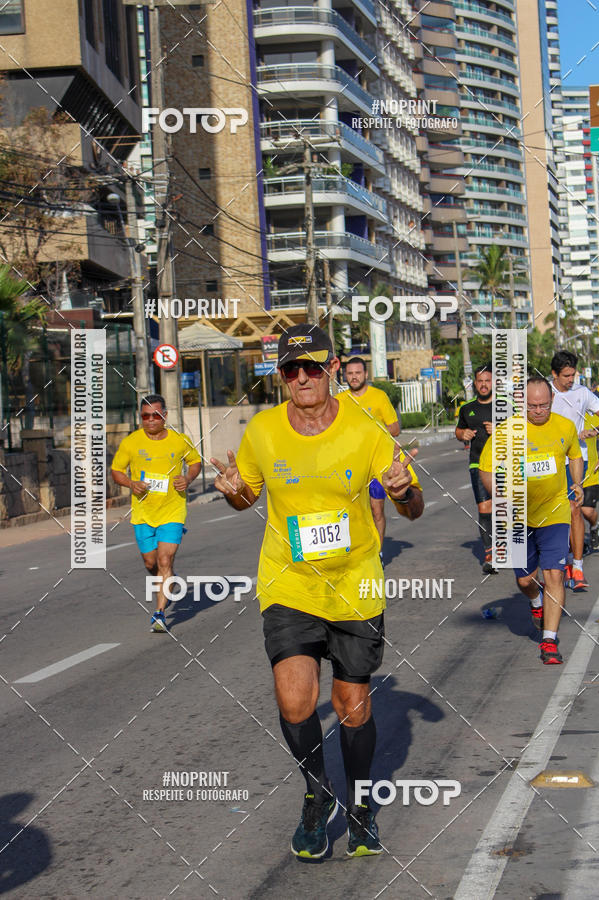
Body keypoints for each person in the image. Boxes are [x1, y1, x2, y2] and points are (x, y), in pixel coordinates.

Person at [211, 324, 423, 860]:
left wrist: (404, 492)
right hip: (289, 581)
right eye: (291, 370)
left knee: (351, 705)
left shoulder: (366, 425)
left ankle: (361, 803)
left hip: (355, 584)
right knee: (294, 698)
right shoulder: (262, 431)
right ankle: (316, 793)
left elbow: (412, 504)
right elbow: (247, 495)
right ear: (280, 377)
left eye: (312, 367)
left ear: (330, 371)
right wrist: (236, 492)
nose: (302, 377)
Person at [479, 376, 583, 665]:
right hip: (518, 517)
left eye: (544, 405)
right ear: (522, 403)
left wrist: (577, 483)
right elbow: (487, 470)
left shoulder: (564, 426)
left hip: (555, 513)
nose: (538, 411)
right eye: (532, 406)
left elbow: (574, 455)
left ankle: (548, 641)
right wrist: (498, 495)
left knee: (554, 575)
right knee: (525, 579)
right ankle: (536, 601)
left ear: (552, 401)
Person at [111, 394, 202, 632]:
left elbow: (195, 462)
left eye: (155, 415)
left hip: (172, 510)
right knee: (151, 562)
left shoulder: (179, 440)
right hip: (143, 513)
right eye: (145, 416)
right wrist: (131, 484)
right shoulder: (132, 442)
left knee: (164, 559)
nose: (150, 420)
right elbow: (116, 471)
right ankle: (168, 578)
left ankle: (160, 614)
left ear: (165, 416)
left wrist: (188, 478)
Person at [338, 357, 400, 556]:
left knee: (376, 510)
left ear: (366, 374)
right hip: (348, 467)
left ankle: (378, 553)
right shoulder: (339, 401)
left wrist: (370, 429)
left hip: (374, 466)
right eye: (350, 373)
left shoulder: (379, 397)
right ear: (345, 376)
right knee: (349, 513)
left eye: (358, 373)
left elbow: (395, 428)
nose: (354, 377)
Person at [550, 351, 599, 590]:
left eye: (573, 374)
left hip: (577, 458)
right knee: (557, 514)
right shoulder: (544, 394)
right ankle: (566, 559)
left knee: (574, 508)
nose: (571, 379)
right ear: (554, 374)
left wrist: (595, 431)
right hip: (549, 462)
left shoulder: (582, 393)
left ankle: (577, 567)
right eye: (566, 376)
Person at [455, 364, 495, 574]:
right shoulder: (466, 408)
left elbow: (522, 428)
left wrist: (499, 430)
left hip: (504, 465)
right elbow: (459, 430)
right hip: (478, 463)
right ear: (475, 383)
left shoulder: (505, 405)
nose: (483, 384)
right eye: (480, 381)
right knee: (484, 508)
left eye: (487, 380)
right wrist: (463, 435)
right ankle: (489, 555)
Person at [581, 413, 599, 552]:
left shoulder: (594, 415)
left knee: (586, 510)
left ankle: (594, 527)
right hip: (569, 471)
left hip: (590, 474)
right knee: (572, 511)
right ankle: (577, 545)